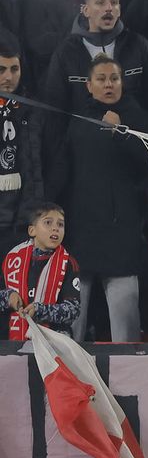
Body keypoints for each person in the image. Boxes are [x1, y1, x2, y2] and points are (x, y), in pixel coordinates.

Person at [55, 55, 148, 342]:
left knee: (125, 329)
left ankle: (130, 371)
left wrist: (120, 133)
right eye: (101, 79)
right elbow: (63, 171)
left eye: (114, 78)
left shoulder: (137, 117)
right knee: (71, 322)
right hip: (81, 232)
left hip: (122, 233)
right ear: (89, 85)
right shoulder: (76, 120)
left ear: (122, 83)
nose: (108, 84)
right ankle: (67, 369)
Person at [5, 202, 80, 340]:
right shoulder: (12, 259)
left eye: (60, 224)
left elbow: (73, 310)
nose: (55, 228)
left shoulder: (68, 263)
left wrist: (41, 310)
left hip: (55, 341)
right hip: (12, 340)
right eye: (48, 223)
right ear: (32, 231)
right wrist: (7, 297)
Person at [0, 41, 43, 244]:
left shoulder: (34, 110)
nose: (8, 77)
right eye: (1, 70)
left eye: (14, 69)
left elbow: (54, 159)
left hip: (24, 221)